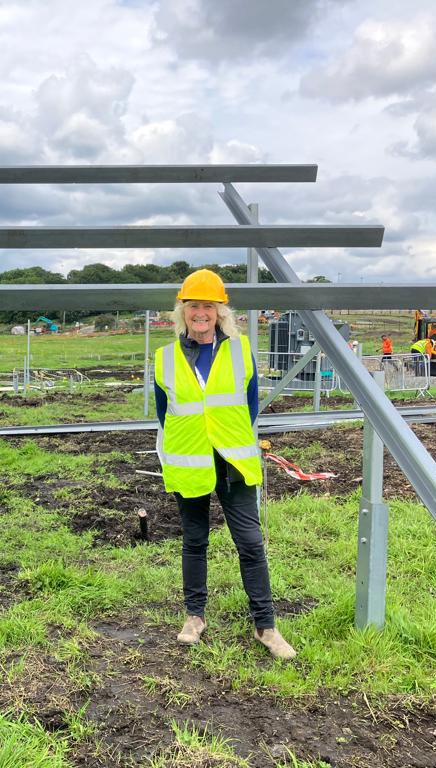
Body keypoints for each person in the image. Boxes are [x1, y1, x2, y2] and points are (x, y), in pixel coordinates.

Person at [153, 269, 297, 660]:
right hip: (190, 461)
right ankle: (194, 617)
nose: (201, 313)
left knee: (250, 542)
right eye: (193, 306)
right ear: (182, 312)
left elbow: (250, 406)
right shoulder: (164, 358)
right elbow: (164, 414)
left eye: (209, 307)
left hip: (233, 461)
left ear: (220, 312)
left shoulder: (240, 349)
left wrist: (232, 439)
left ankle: (266, 626)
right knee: (194, 540)